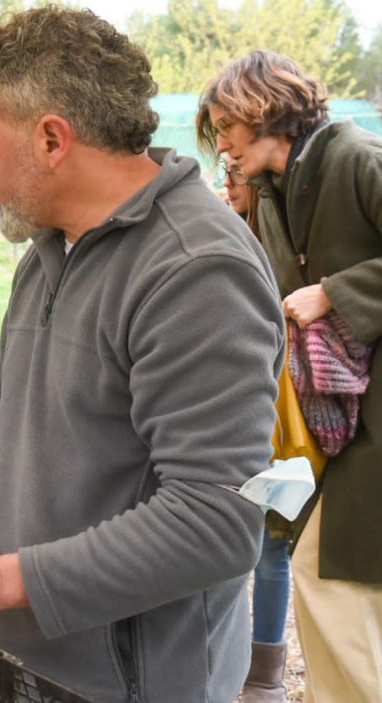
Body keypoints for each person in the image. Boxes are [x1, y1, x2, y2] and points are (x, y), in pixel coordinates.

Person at [0, 8, 285, 701]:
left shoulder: (196, 270)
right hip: (28, 662)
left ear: (51, 139)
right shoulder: (48, 250)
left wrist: (0, 580)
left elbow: (217, 520)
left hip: (137, 683)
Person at [198, 50, 382, 703]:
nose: (219, 141)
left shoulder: (356, 156)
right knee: (308, 557)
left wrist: (333, 292)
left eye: (226, 125)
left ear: (263, 110)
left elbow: (311, 294)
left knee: (334, 577)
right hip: (319, 415)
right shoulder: (273, 191)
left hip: (370, 419)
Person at [220, 154, 296, 702]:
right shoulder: (221, 237)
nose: (228, 187)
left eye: (235, 178)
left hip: (284, 421)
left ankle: (265, 672)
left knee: (272, 547)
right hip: (234, 422)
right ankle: (232, 661)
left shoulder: (284, 243)